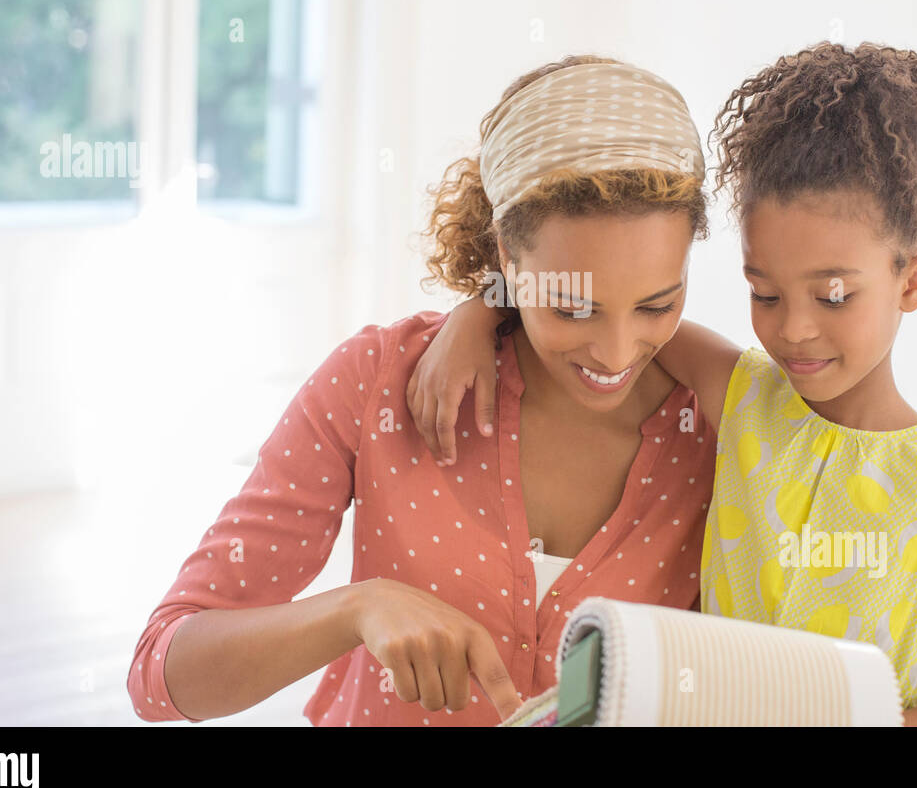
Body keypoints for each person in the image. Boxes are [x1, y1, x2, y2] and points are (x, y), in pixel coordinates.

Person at [410, 42, 917, 726]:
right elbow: (595, 305)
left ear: (916, 279)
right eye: (766, 293)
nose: (795, 331)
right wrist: (475, 313)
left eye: (834, 297)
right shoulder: (742, 399)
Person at [126, 54, 718, 726]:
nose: (615, 354)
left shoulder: (720, 434)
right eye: (570, 307)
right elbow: (160, 675)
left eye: (656, 305)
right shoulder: (376, 381)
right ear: (505, 256)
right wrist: (357, 608)